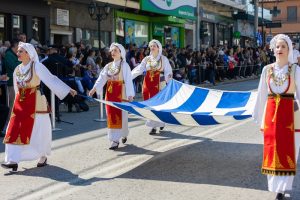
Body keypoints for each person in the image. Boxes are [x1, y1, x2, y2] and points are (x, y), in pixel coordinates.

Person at [1, 42, 77, 172]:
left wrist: (68, 89)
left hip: (35, 102)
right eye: (18, 51)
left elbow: (50, 79)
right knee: (13, 129)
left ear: (28, 54)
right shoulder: (17, 69)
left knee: (38, 131)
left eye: (20, 51)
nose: (17, 53)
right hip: (21, 103)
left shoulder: (37, 66)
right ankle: (12, 160)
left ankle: (42, 156)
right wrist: (15, 104)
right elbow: (16, 88)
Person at [253, 34, 300, 200]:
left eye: (283, 47)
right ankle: (275, 187)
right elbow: (261, 94)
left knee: (289, 151)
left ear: (289, 50)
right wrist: (259, 116)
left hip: (291, 116)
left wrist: (297, 104)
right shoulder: (267, 70)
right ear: (273, 50)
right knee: (272, 150)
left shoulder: (295, 70)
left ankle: (283, 187)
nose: (279, 49)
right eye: (277, 47)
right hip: (272, 116)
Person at [89, 43, 135, 150]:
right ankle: (114, 140)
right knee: (111, 116)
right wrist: (94, 89)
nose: (113, 53)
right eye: (112, 51)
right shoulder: (108, 66)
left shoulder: (124, 65)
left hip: (121, 94)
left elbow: (128, 80)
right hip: (110, 95)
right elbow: (101, 78)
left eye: (115, 51)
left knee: (122, 117)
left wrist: (130, 94)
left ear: (121, 53)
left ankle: (123, 134)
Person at [132, 39, 172, 135]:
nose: (152, 47)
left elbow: (168, 72)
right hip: (148, 85)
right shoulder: (146, 59)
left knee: (158, 105)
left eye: (154, 46)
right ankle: (153, 126)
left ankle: (159, 122)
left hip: (159, 85)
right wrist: (129, 77)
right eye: (151, 46)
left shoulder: (163, 59)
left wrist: (169, 82)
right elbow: (139, 69)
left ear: (159, 48)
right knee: (149, 105)